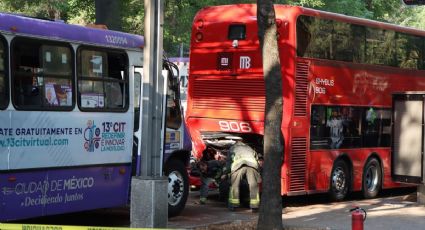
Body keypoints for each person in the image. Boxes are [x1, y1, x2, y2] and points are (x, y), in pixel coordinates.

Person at [222, 137, 261, 212]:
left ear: (235, 142)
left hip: (238, 166)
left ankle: (234, 205)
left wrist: (225, 173)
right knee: (253, 185)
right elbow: (256, 159)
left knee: (235, 185)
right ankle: (255, 206)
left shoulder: (233, 148)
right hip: (252, 165)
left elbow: (229, 162)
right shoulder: (249, 148)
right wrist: (258, 172)